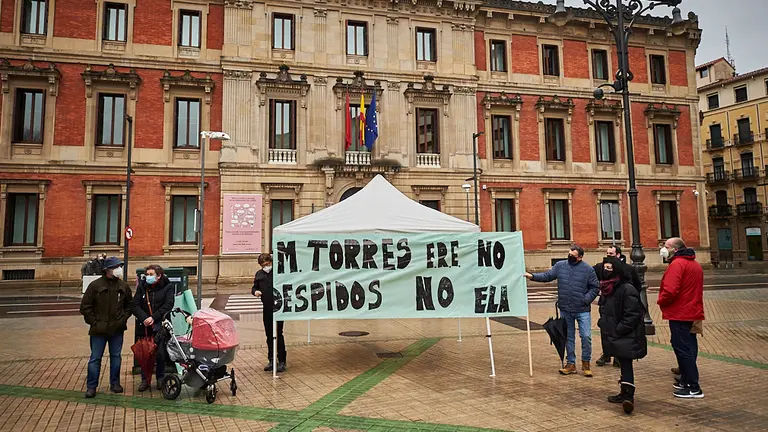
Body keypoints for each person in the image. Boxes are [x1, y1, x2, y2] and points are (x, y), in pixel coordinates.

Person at [525, 245, 599, 377]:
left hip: (582, 309)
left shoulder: (588, 269)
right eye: (569, 254)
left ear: (580, 257)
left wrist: (585, 299)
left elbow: (595, 287)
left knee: (586, 336)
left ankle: (586, 362)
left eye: (573, 255)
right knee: (568, 337)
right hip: (565, 308)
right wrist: (531, 276)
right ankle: (570, 364)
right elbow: (547, 276)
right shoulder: (560, 265)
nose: (570, 256)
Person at [596, 257, 647, 414]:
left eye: (609, 268)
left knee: (626, 363)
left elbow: (632, 314)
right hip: (614, 333)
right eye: (605, 267)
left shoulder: (626, 288)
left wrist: (618, 330)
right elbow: (605, 310)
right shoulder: (608, 288)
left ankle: (628, 397)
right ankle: (624, 393)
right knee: (623, 364)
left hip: (625, 335)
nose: (606, 270)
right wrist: (602, 323)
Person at [657, 237, 705, 399]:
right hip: (691, 311)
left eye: (666, 246)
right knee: (689, 346)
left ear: (675, 249)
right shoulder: (694, 264)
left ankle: (693, 386)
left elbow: (670, 290)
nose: (663, 249)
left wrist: (661, 300)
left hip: (680, 312)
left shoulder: (677, 264)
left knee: (682, 347)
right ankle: (686, 380)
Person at [79, 256, 133, 398]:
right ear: (107, 270)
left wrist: (123, 319)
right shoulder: (95, 286)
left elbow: (129, 306)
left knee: (116, 357)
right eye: (116, 267)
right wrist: (94, 322)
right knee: (95, 358)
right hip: (99, 329)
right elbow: (85, 307)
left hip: (117, 329)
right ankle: (91, 386)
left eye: (119, 266)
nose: (119, 269)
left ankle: (115, 384)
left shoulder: (123, 286)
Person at [131, 264, 175, 392]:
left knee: (160, 353)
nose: (148, 277)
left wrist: (154, 317)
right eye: (147, 275)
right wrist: (144, 318)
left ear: (159, 275)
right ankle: (145, 380)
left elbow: (168, 305)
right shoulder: (142, 287)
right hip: (144, 326)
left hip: (159, 325)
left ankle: (160, 378)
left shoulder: (167, 286)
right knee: (145, 353)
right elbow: (135, 305)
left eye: (151, 275)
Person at [252, 253, 286, 372]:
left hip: (278, 307)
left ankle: (282, 360)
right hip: (266, 308)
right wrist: (255, 291)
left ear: (271, 262)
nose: (266, 267)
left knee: (278, 334)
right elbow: (254, 287)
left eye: (267, 264)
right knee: (269, 335)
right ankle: (271, 359)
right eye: (263, 265)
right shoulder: (259, 274)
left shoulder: (278, 272)